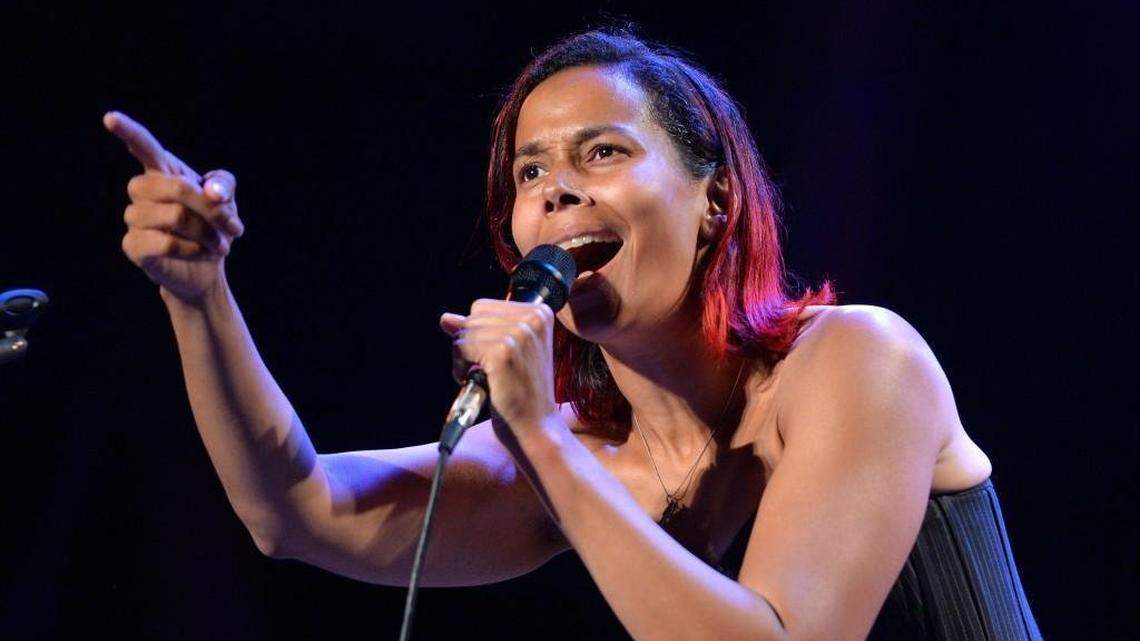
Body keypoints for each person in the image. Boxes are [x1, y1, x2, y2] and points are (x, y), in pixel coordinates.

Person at [104, 26, 1043, 641]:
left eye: (604, 152)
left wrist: (545, 444)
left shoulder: (858, 359)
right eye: (529, 171)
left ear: (716, 200)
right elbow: (293, 509)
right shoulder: (582, 455)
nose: (554, 189)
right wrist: (199, 298)